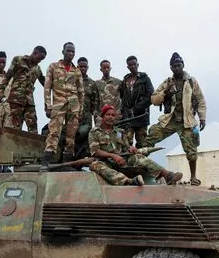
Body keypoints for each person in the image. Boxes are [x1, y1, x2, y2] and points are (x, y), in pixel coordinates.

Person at [142, 52, 206, 186]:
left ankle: (193, 177)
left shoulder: (191, 81)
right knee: (151, 135)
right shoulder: (168, 82)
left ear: (183, 65)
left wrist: (202, 118)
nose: (177, 68)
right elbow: (154, 99)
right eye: (174, 66)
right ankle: (140, 165)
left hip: (186, 121)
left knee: (191, 150)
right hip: (170, 120)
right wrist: (165, 93)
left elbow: (200, 99)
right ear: (171, 68)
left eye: (179, 65)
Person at [88, 105, 183, 186]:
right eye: (108, 115)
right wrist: (112, 156)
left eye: (113, 115)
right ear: (103, 117)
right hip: (106, 162)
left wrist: (130, 148)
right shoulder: (94, 132)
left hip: (122, 160)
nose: (110, 117)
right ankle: (128, 181)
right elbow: (95, 151)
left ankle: (167, 175)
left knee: (138, 157)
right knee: (95, 165)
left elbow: (125, 147)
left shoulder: (119, 132)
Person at [41, 42, 85, 170]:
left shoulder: (76, 71)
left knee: (71, 136)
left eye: (73, 52)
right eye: (68, 51)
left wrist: (80, 109)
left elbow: (81, 91)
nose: (70, 54)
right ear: (63, 52)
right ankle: (46, 162)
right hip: (59, 103)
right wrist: (47, 105)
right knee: (54, 132)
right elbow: (47, 86)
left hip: (73, 104)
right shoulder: (54, 67)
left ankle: (66, 164)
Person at [0, 46, 48, 134]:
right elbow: (8, 76)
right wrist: (1, 92)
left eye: (41, 60)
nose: (39, 61)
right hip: (16, 100)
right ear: (35, 53)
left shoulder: (37, 69)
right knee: (16, 127)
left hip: (29, 102)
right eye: (39, 59)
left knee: (33, 127)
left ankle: (32, 147)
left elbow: (46, 83)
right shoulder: (18, 60)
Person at [119, 55, 154, 148]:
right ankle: (129, 162)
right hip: (128, 118)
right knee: (126, 143)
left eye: (134, 64)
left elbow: (151, 96)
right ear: (128, 67)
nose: (133, 67)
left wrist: (137, 108)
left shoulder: (144, 78)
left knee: (142, 144)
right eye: (130, 65)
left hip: (141, 116)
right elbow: (122, 97)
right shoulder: (125, 80)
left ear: (137, 64)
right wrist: (124, 112)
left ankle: (140, 162)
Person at [77, 57, 100, 157]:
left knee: (85, 136)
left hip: (86, 115)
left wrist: (94, 115)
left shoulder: (92, 83)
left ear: (87, 67)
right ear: (77, 67)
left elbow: (95, 101)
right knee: (72, 136)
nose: (83, 68)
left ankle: (82, 158)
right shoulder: (72, 80)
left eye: (84, 66)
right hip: (73, 114)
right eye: (80, 66)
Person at [95, 59, 122, 125]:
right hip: (102, 116)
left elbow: (123, 96)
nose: (106, 69)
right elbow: (95, 100)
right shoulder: (97, 84)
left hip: (116, 116)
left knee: (116, 134)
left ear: (110, 68)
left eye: (108, 67)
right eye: (104, 68)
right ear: (101, 69)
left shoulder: (118, 82)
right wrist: (96, 115)